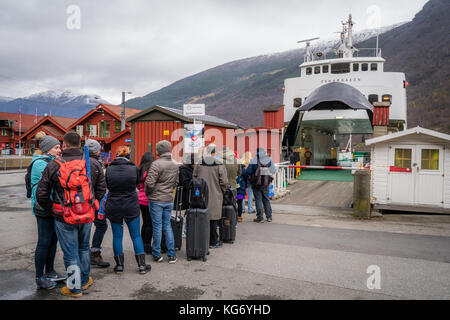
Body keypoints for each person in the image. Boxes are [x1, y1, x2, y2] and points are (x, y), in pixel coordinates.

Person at [36, 131, 106, 298]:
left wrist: (52, 209)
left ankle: (74, 288)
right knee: (83, 248)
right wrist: (90, 205)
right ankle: (84, 280)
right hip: (87, 214)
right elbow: (102, 189)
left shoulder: (54, 164)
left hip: (63, 215)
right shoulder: (92, 164)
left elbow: (41, 193)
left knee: (70, 252)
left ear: (64, 145)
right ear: (81, 144)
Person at [106, 146, 151, 274]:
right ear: (128, 156)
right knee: (136, 235)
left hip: (114, 204)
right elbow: (137, 184)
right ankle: (142, 265)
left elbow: (107, 185)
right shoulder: (133, 169)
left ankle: (119, 265)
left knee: (117, 235)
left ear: (116, 155)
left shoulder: (109, 169)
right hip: (131, 203)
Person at [31, 134, 66, 290]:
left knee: (53, 241)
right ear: (47, 149)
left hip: (53, 207)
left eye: (59, 146)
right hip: (43, 207)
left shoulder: (52, 162)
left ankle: (50, 271)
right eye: (56, 147)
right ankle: (39, 276)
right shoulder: (40, 164)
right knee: (44, 241)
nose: (59, 150)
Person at [145, 140, 179, 263]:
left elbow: (149, 183)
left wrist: (149, 194)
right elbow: (176, 182)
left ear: (158, 150)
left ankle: (157, 254)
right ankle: (171, 254)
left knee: (157, 227)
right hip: (168, 199)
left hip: (156, 199)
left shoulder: (156, 164)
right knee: (167, 226)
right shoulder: (175, 165)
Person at [193, 144, 228, 249]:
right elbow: (224, 181)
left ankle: (201, 239)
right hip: (215, 193)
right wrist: (223, 190)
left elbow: (194, 177)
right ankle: (213, 240)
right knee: (213, 218)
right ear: (215, 152)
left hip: (201, 194)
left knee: (202, 216)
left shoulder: (199, 163)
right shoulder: (219, 164)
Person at [85, 139, 110, 268]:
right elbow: (99, 186)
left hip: (81, 201)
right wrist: (101, 203)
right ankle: (94, 253)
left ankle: (86, 254)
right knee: (101, 225)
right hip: (93, 202)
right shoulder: (95, 164)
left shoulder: (81, 161)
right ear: (96, 151)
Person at [247, 148, 277, 223]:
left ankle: (260, 218)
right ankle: (269, 216)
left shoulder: (253, 160)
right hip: (266, 183)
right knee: (266, 199)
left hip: (256, 183)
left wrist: (252, 176)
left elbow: (248, 171)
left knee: (258, 200)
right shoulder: (269, 159)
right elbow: (273, 170)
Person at [137, 151, 156, 254]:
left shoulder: (139, 169)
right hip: (149, 199)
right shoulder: (151, 170)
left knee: (145, 222)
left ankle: (142, 243)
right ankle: (147, 246)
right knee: (150, 224)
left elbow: (137, 185)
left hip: (140, 200)